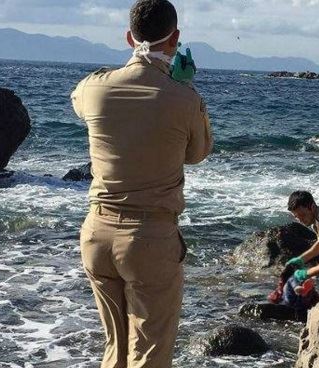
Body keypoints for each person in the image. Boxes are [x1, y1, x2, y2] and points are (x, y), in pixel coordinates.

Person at [70, 0, 212, 367]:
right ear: (175, 40)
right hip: (150, 238)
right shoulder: (185, 97)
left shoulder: (94, 88)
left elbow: (79, 103)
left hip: (97, 232)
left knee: (114, 349)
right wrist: (184, 87)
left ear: (129, 37)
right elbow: (198, 152)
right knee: (149, 355)